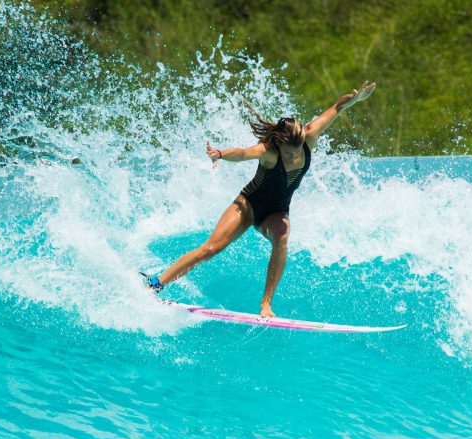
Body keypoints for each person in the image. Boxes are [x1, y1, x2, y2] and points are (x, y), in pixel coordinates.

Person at [143, 81, 376, 318]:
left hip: (275, 211)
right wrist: (221, 154)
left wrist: (353, 101)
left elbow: (335, 109)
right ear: (278, 144)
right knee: (211, 248)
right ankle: (156, 284)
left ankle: (266, 304)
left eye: (296, 151)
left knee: (282, 235)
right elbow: (243, 152)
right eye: (288, 152)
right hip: (248, 206)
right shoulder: (268, 151)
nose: (294, 155)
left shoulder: (308, 138)